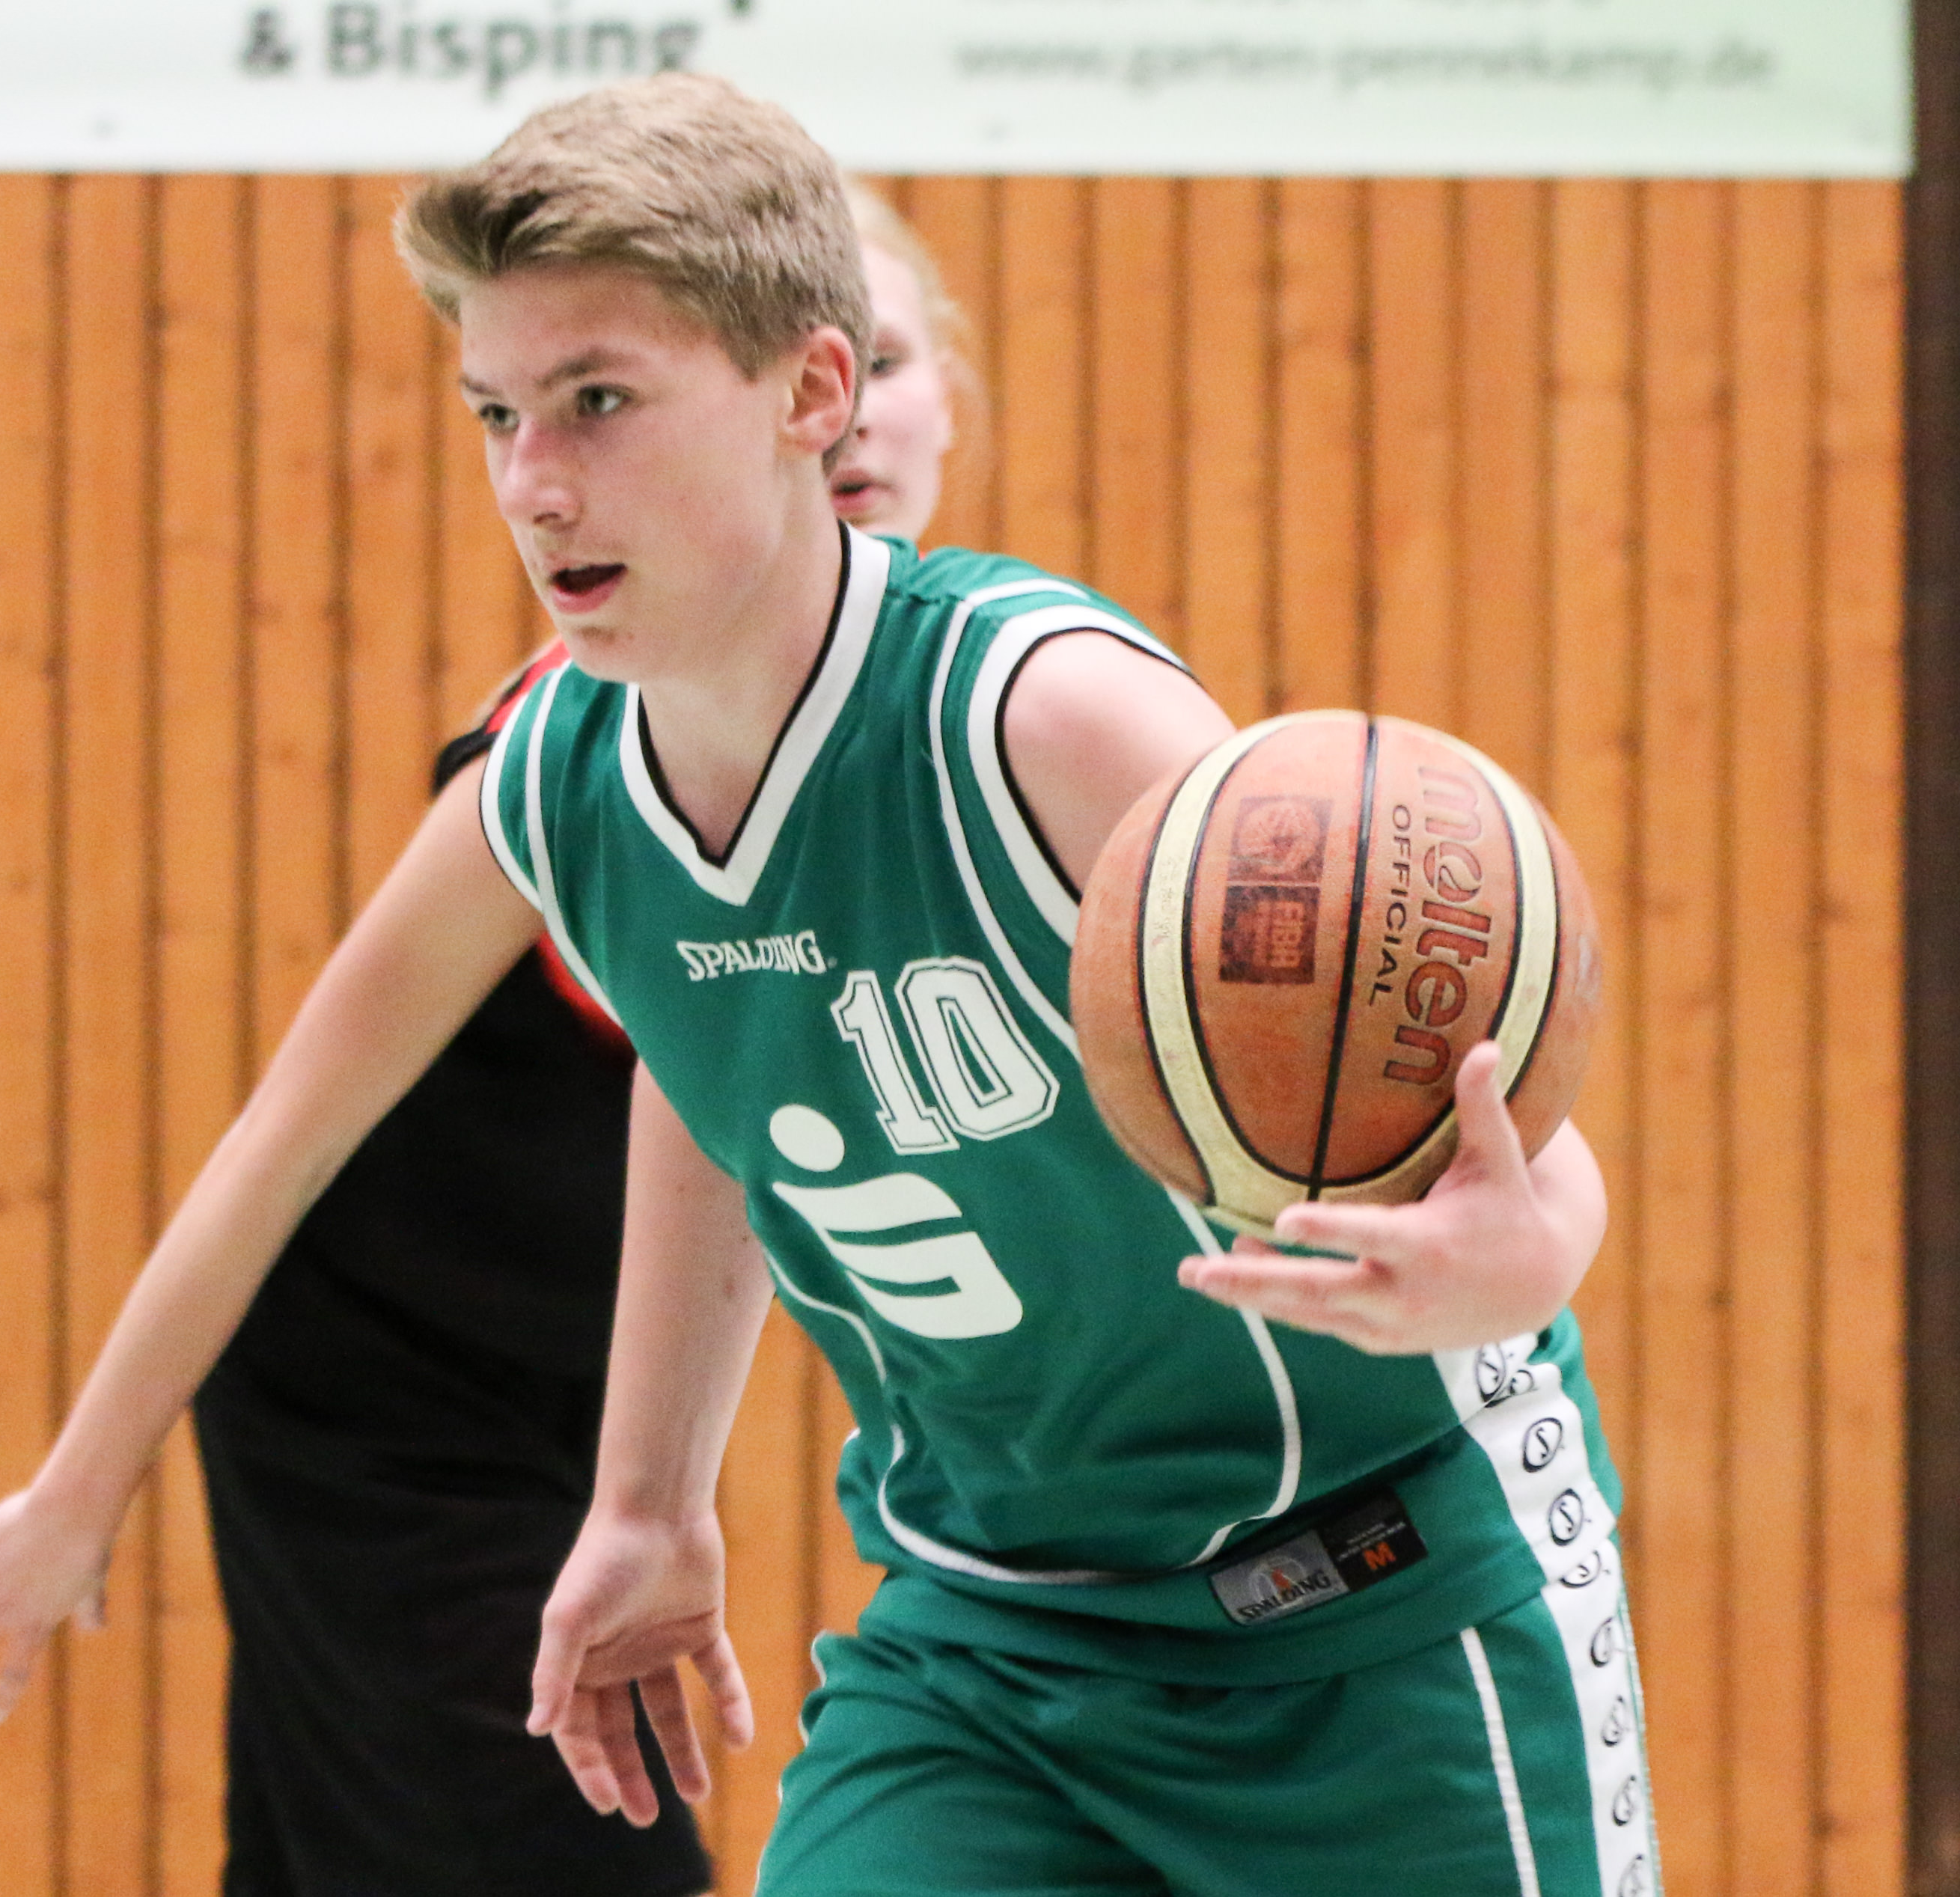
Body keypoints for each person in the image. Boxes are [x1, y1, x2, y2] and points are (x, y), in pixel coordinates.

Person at [409, 76, 1653, 1896]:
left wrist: (1516, 1259)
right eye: (495, 412)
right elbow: (715, 1063)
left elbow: (1498, 1131)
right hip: (991, 1647)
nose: (532, 479)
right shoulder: (558, 786)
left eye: (596, 401)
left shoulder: (1040, 715)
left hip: (1377, 1609)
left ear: (810, 395)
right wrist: (647, 1496)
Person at [0, 180, 974, 1897]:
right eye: (515, 412)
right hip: (377, 1400)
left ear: (874, 392)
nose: (850, 429)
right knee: (577, 1853)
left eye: (890, 364)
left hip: (574, 1382)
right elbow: (286, 1136)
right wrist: (73, 1496)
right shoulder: (571, 757)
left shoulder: (963, 705)